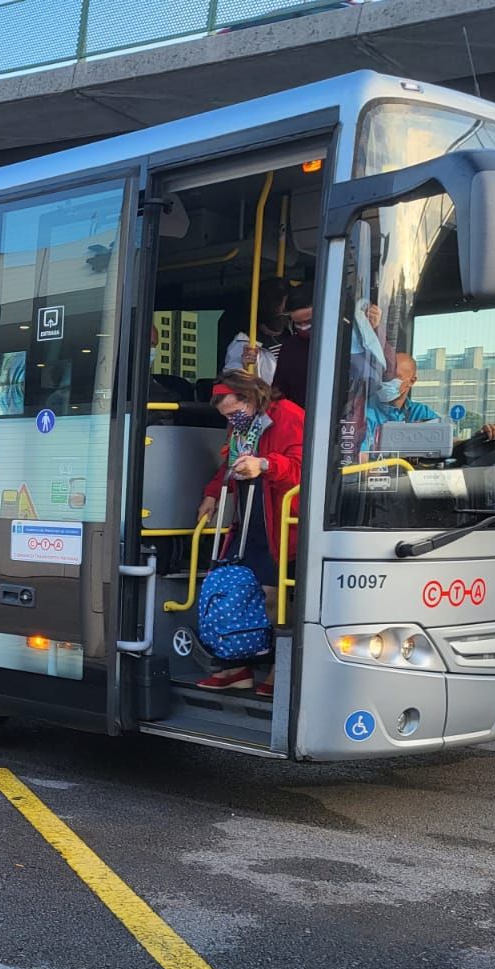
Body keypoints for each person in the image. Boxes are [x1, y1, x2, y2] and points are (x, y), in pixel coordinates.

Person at [194, 370, 304, 698]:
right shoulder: (242, 426)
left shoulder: (290, 416)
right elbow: (228, 464)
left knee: (271, 596)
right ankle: (236, 668)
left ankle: (276, 669)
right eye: (226, 416)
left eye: (232, 412)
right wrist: (213, 493)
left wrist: (265, 465)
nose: (231, 420)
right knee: (237, 592)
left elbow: (303, 466)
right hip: (249, 518)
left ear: (250, 398)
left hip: (281, 519)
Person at [362, 352, 495, 453]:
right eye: (387, 374)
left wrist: (479, 438)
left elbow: (447, 441)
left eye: (396, 377)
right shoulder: (363, 412)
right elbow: (360, 461)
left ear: (412, 381)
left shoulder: (420, 412)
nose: (388, 380)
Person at [222, 277, 291, 384]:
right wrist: (244, 369)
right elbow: (231, 378)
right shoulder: (244, 344)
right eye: (283, 310)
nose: (286, 314)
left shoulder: (295, 335)